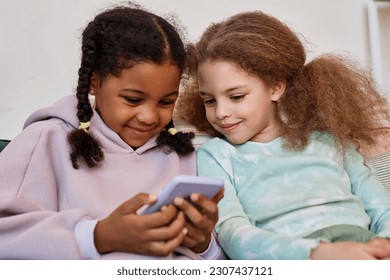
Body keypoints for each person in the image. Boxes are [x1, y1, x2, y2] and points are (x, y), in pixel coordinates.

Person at [0, 4, 224, 260]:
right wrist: (99, 236)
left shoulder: (181, 153)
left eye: (165, 102)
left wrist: (203, 244)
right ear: (95, 82)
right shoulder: (46, 140)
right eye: (132, 99)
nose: (149, 117)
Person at [175, 11, 390, 259]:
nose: (221, 112)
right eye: (210, 100)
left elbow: (383, 209)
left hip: (367, 250)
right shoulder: (216, 155)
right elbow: (232, 232)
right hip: (291, 258)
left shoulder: (331, 141)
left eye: (236, 97)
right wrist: (316, 253)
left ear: (276, 87)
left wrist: (382, 247)